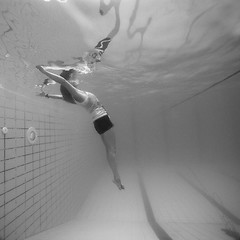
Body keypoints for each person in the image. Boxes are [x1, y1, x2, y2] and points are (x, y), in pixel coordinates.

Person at [36, 65, 125, 190]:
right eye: (74, 77)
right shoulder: (77, 95)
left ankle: (116, 178)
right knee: (112, 151)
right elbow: (62, 81)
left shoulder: (76, 97)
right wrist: (44, 71)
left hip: (98, 122)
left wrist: (46, 95)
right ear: (71, 83)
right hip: (103, 120)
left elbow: (62, 97)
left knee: (109, 150)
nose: (76, 78)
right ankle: (116, 178)